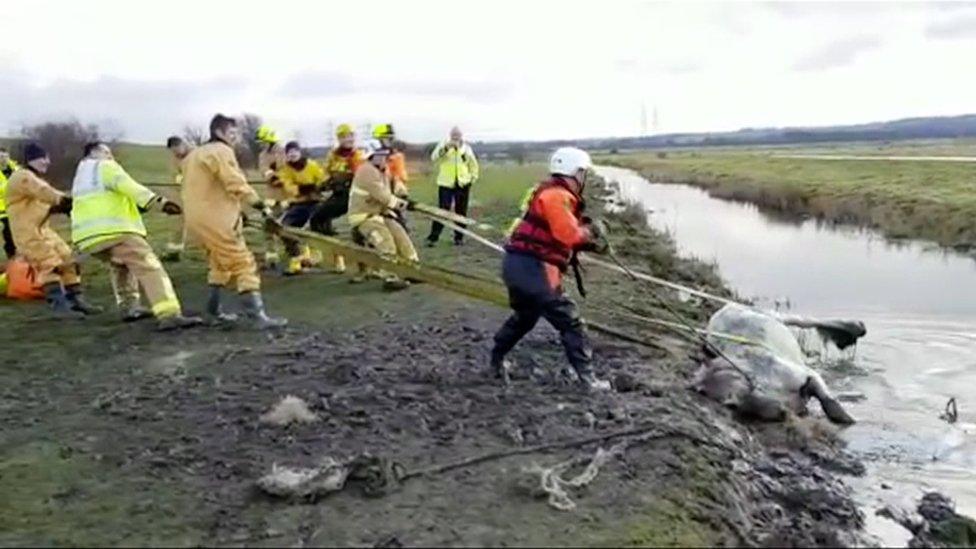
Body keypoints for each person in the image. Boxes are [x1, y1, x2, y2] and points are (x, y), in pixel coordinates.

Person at [490, 147, 611, 391]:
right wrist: (591, 232)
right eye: (583, 174)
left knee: (525, 318)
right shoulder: (557, 196)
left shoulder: (547, 193)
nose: (584, 179)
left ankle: (496, 361)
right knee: (571, 323)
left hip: (517, 267)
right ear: (575, 173)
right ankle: (588, 380)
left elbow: (555, 234)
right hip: (535, 271)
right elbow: (566, 234)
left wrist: (587, 241)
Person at [71, 142, 202, 330]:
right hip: (115, 231)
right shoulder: (105, 167)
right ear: (95, 153)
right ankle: (169, 313)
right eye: (106, 152)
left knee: (121, 265)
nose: (111, 156)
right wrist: (159, 203)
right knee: (149, 267)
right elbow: (130, 187)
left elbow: (104, 200)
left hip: (87, 237)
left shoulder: (81, 176)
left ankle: (129, 306)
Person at [182, 114, 286, 328]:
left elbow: (209, 187)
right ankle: (257, 317)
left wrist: (240, 213)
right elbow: (234, 182)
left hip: (196, 218)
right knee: (243, 262)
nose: (236, 138)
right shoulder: (221, 151)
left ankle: (213, 311)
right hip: (216, 218)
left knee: (219, 263)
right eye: (232, 133)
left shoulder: (194, 155)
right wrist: (259, 205)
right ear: (219, 132)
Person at [6, 143, 98, 318]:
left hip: (43, 231)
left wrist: (67, 205)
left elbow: (42, 201)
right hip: (28, 233)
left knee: (68, 258)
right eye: (43, 158)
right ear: (31, 159)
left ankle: (75, 300)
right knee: (50, 265)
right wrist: (62, 201)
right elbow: (45, 192)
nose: (47, 162)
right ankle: (59, 306)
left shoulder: (34, 178)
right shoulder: (22, 177)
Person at [347, 139, 417, 291]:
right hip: (363, 217)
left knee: (400, 234)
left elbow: (392, 188)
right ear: (370, 156)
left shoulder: (383, 170)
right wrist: (402, 205)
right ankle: (389, 276)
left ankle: (412, 268)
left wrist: (402, 195)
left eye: (384, 154)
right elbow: (383, 196)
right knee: (385, 240)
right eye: (378, 154)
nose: (382, 157)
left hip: (379, 213)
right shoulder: (366, 171)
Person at [309, 123, 364, 273]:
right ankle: (334, 257)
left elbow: (359, 176)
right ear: (339, 138)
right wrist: (324, 183)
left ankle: (330, 254)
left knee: (321, 219)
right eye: (345, 137)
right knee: (319, 219)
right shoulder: (333, 154)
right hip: (338, 193)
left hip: (352, 195)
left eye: (351, 136)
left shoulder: (357, 155)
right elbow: (326, 171)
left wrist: (344, 181)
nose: (348, 139)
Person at [276, 140, 326, 275]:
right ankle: (296, 257)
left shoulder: (312, 165)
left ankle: (322, 257)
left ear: (300, 152)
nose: (292, 155)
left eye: (295, 151)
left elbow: (322, 180)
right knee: (284, 228)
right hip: (298, 204)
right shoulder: (285, 170)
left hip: (315, 202)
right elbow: (289, 188)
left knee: (317, 228)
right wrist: (307, 188)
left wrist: (319, 187)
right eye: (289, 152)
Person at [426, 126, 479, 246]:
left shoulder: (466, 148)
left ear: (461, 136)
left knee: (461, 212)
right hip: (446, 184)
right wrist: (446, 148)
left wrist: (472, 178)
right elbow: (434, 157)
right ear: (450, 135)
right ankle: (433, 238)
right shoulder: (443, 145)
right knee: (442, 210)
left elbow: (473, 164)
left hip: (463, 184)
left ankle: (459, 238)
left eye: (457, 135)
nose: (455, 137)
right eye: (453, 135)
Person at [255, 125, 286, 270]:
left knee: (290, 227)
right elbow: (264, 171)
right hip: (271, 196)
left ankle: (297, 254)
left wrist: (279, 176)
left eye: (263, 142)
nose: (262, 145)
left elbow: (287, 170)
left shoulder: (284, 152)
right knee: (268, 226)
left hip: (287, 196)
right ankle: (271, 256)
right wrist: (272, 176)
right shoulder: (262, 155)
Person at [161, 136, 192, 262]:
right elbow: (175, 177)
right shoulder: (175, 159)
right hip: (183, 195)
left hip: (201, 194)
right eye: (173, 152)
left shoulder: (196, 154)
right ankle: (174, 252)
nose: (176, 154)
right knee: (178, 223)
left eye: (177, 150)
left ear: (182, 144)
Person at [0, 147, 20, 258]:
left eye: (5, 157)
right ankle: (11, 256)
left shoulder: (16, 169)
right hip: (4, 210)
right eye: (0, 157)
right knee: (9, 235)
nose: (3, 159)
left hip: (19, 206)